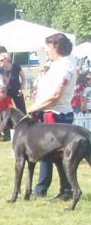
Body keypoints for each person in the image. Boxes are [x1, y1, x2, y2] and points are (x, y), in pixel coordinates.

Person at [31, 32, 78, 199]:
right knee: (56, 155)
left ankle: (45, 189)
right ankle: (61, 189)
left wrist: (35, 107)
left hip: (56, 114)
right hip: (50, 112)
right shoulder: (58, 64)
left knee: (49, 153)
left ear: (56, 46)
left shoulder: (65, 66)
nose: (47, 50)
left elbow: (56, 95)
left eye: (48, 47)